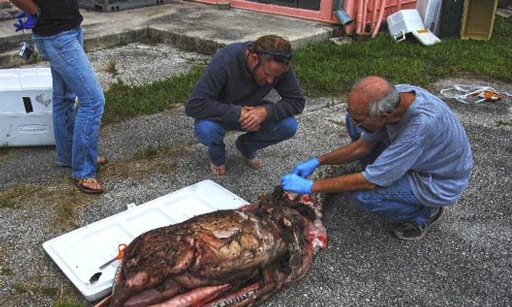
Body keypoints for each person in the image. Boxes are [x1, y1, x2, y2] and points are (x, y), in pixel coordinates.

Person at [281, 76, 473, 241]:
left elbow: (370, 182)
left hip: (437, 179)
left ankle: (426, 213)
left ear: (385, 116)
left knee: (363, 196)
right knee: (357, 126)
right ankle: (387, 169)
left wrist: (311, 187)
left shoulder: (419, 128)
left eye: (360, 118)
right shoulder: (397, 96)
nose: (355, 121)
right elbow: (363, 146)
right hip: (418, 156)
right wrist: (318, 161)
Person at [11, 0, 106, 193]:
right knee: (93, 101)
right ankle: (84, 170)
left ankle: (71, 156)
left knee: (64, 97)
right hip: (56, 35)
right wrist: (36, 12)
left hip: (69, 28)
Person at [185, 35, 306, 176]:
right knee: (206, 129)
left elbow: (297, 101)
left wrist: (266, 112)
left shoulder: (279, 66)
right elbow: (194, 104)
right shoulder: (226, 60)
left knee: (289, 126)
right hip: (220, 114)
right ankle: (217, 155)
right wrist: (239, 113)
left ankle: (246, 146)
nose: (271, 80)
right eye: (267, 73)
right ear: (254, 58)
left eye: (276, 76)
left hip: (253, 109)